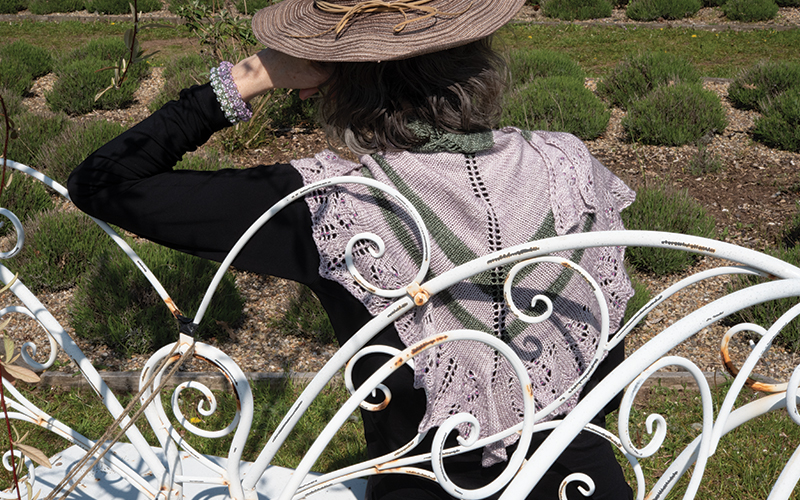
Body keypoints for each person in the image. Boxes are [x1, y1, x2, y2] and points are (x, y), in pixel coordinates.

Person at [68, 1, 636, 498]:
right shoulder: (569, 167)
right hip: (583, 484)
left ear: (333, 76)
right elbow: (607, 352)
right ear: (474, 52)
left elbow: (106, 183)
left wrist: (249, 75)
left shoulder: (330, 204)